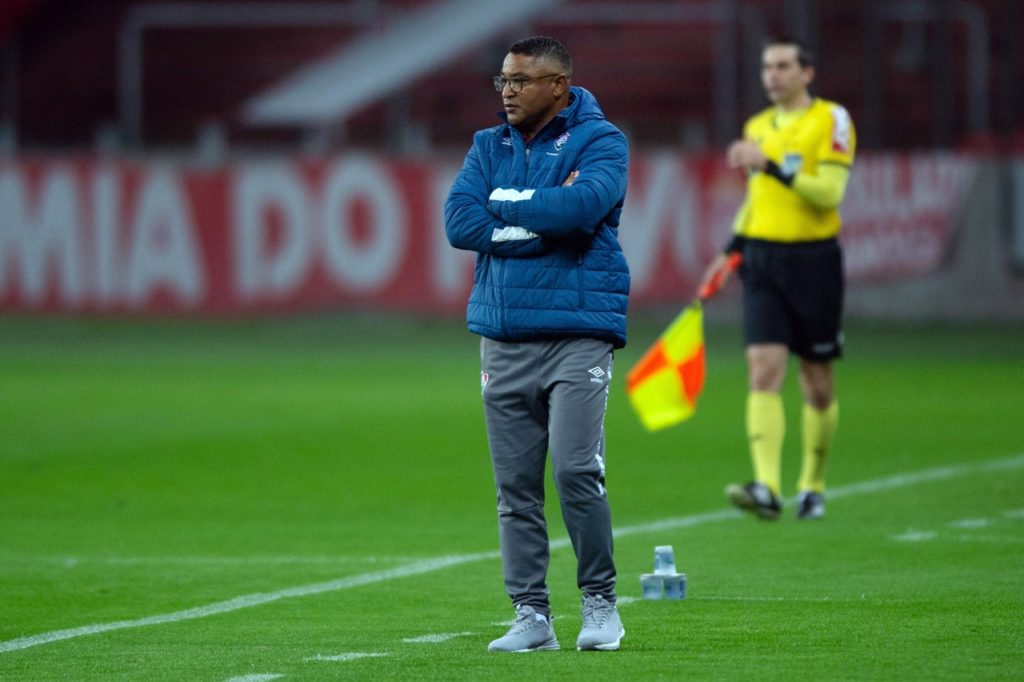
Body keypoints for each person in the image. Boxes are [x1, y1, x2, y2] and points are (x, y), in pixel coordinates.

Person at [444, 35, 629, 652]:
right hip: (504, 332)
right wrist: (537, 222)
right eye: (502, 80)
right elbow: (460, 222)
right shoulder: (486, 145)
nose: (507, 91)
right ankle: (532, 616)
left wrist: (509, 207)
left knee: (576, 469)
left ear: (559, 86)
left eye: (521, 81)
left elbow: (583, 208)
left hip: (579, 330)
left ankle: (601, 604)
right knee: (516, 487)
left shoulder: (601, 141)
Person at [698, 37, 856, 521]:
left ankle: (812, 483)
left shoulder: (831, 119)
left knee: (817, 383)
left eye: (784, 65)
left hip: (814, 262)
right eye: (768, 66)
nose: (773, 74)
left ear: (807, 73)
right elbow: (756, 200)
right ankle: (766, 487)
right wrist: (729, 254)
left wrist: (771, 166)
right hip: (763, 260)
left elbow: (829, 193)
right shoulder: (757, 126)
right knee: (763, 370)